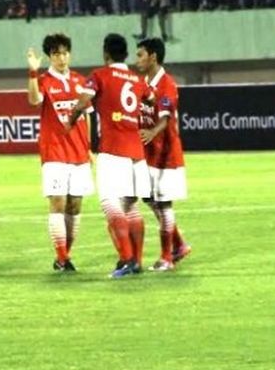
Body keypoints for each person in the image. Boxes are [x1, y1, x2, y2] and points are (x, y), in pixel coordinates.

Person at [68, 33, 152, 278]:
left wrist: (70, 120)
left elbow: (84, 101)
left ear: (106, 53)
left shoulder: (99, 75)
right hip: (136, 150)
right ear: (125, 54)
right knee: (131, 207)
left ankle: (127, 259)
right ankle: (136, 261)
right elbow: (151, 98)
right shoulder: (137, 80)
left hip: (113, 149)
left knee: (109, 203)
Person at [26, 33, 93, 272]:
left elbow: (87, 115)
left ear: (70, 54)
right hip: (54, 151)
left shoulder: (81, 81)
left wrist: (90, 146)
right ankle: (63, 258)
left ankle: (65, 256)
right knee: (58, 202)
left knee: (75, 206)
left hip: (79, 153)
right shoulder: (44, 80)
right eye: (56, 54)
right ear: (49, 57)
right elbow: (33, 100)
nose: (61, 58)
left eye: (64, 53)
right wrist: (33, 72)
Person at [135, 38, 191, 271]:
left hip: (166, 155)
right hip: (148, 154)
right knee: (149, 199)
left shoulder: (167, 84)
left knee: (163, 203)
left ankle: (167, 257)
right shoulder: (141, 83)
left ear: (153, 57)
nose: (137, 59)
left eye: (140, 55)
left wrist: (152, 131)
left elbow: (166, 118)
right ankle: (179, 245)